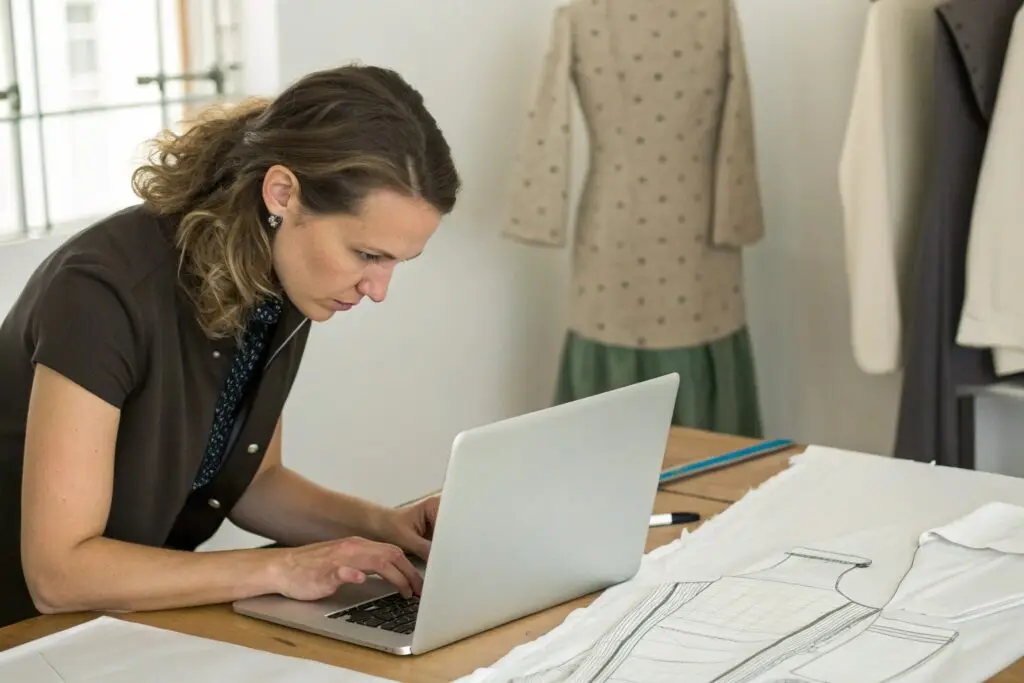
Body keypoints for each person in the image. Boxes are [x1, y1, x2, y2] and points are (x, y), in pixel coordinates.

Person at [0, 64, 461, 629]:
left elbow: (250, 484)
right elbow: (59, 575)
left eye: (396, 262)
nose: (378, 289)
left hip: (118, 622)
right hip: (24, 632)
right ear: (283, 193)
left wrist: (388, 526)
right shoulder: (102, 293)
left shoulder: (277, 279)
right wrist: (281, 569)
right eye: (366, 255)